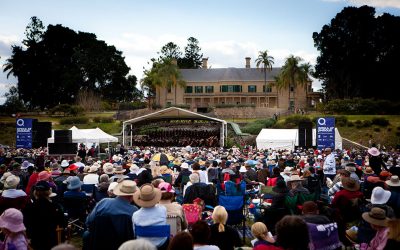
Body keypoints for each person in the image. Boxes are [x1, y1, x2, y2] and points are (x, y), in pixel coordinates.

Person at [85, 180, 138, 250]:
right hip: (122, 245)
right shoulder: (134, 211)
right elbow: (133, 233)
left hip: (98, 243)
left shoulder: (103, 203)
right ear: (133, 195)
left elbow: (89, 221)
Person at [23, 181, 64, 250]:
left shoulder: (28, 207)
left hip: (34, 241)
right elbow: (62, 223)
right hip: (51, 241)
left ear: (35, 192)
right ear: (49, 192)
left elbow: (26, 224)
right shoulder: (54, 207)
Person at [132, 184, 168, 250]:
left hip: (142, 246)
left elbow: (134, 233)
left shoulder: (135, 214)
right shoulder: (163, 209)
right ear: (154, 197)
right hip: (162, 245)